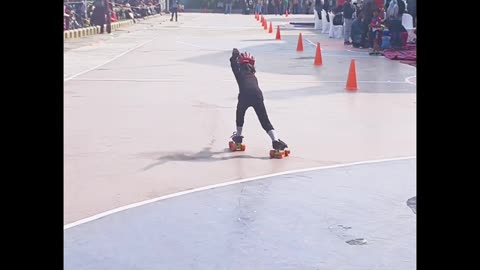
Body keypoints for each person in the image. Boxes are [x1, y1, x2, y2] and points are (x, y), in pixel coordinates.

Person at [229, 48, 288, 151]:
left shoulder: (239, 73)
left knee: (240, 115)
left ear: (241, 65)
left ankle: (238, 138)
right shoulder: (253, 74)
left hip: (244, 95)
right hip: (257, 95)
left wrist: (234, 56)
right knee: (265, 120)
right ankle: (275, 141)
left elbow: (233, 65)